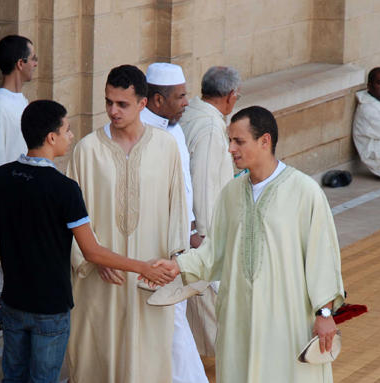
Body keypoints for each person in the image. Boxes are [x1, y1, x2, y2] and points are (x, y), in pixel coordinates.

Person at [0, 99, 178, 383]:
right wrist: (142, 267)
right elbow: (92, 252)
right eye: (67, 130)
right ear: (51, 137)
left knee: (13, 377)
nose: (71, 137)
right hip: (51, 309)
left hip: (13, 302)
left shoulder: (2, 177)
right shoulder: (65, 189)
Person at [159, 106, 345, 383]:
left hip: (287, 321)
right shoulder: (231, 194)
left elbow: (322, 258)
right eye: (229, 140)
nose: (230, 149)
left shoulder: (304, 192)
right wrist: (175, 267)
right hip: (239, 321)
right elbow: (213, 254)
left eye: (239, 141)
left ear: (265, 141)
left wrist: (325, 313)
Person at [65, 65, 188, 383]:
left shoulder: (165, 147)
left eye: (122, 104)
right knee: (98, 358)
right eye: (108, 102)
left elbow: (178, 209)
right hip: (101, 279)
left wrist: (174, 260)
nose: (113, 111)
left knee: (147, 361)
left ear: (143, 104)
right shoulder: (87, 151)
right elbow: (72, 218)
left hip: (151, 278)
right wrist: (94, 258)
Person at [140, 62, 207, 383]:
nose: (186, 103)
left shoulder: (175, 129)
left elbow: (185, 186)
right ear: (156, 101)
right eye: (180, 97)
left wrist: (192, 229)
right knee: (168, 319)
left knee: (174, 316)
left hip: (179, 241)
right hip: (150, 246)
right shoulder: (140, 132)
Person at [178, 65, 240, 357]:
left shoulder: (191, 112)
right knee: (214, 298)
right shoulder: (212, 128)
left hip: (188, 226)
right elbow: (202, 183)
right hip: (201, 232)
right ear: (230, 96)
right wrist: (203, 234)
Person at [0, 34, 37, 221]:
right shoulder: (0, 106)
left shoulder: (20, 101)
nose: (35, 64)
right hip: (9, 210)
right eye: (33, 58)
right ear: (20, 63)